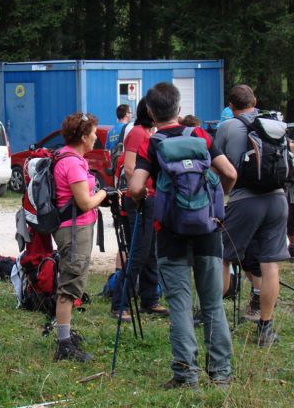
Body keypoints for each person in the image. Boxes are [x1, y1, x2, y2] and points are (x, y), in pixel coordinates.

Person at [130, 82, 237, 389]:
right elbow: (229, 173)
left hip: (171, 234)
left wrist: (142, 201)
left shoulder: (153, 143)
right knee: (212, 303)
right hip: (207, 229)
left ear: (150, 112)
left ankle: (185, 374)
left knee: (179, 303)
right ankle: (221, 374)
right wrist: (217, 201)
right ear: (178, 107)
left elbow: (136, 187)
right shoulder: (201, 136)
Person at [214, 83, 289, 347]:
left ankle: (211, 315)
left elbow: (217, 162)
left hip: (245, 199)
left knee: (222, 255)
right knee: (270, 263)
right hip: (278, 199)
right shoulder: (274, 123)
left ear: (230, 106)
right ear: (254, 101)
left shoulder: (227, 126)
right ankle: (265, 327)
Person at [51, 112, 115, 362]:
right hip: (74, 230)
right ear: (83, 136)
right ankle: (64, 345)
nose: (95, 140)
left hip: (74, 228)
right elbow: (85, 201)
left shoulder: (66, 156)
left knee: (72, 281)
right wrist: (105, 193)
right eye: (93, 135)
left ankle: (65, 335)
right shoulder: (73, 163)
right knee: (70, 284)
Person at [111, 99, 168, 322]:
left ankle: (149, 299)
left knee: (151, 252)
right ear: (150, 111)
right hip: (140, 199)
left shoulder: (148, 132)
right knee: (138, 252)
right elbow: (128, 167)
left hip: (152, 198)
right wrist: (142, 191)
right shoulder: (137, 133)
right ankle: (120, 303)